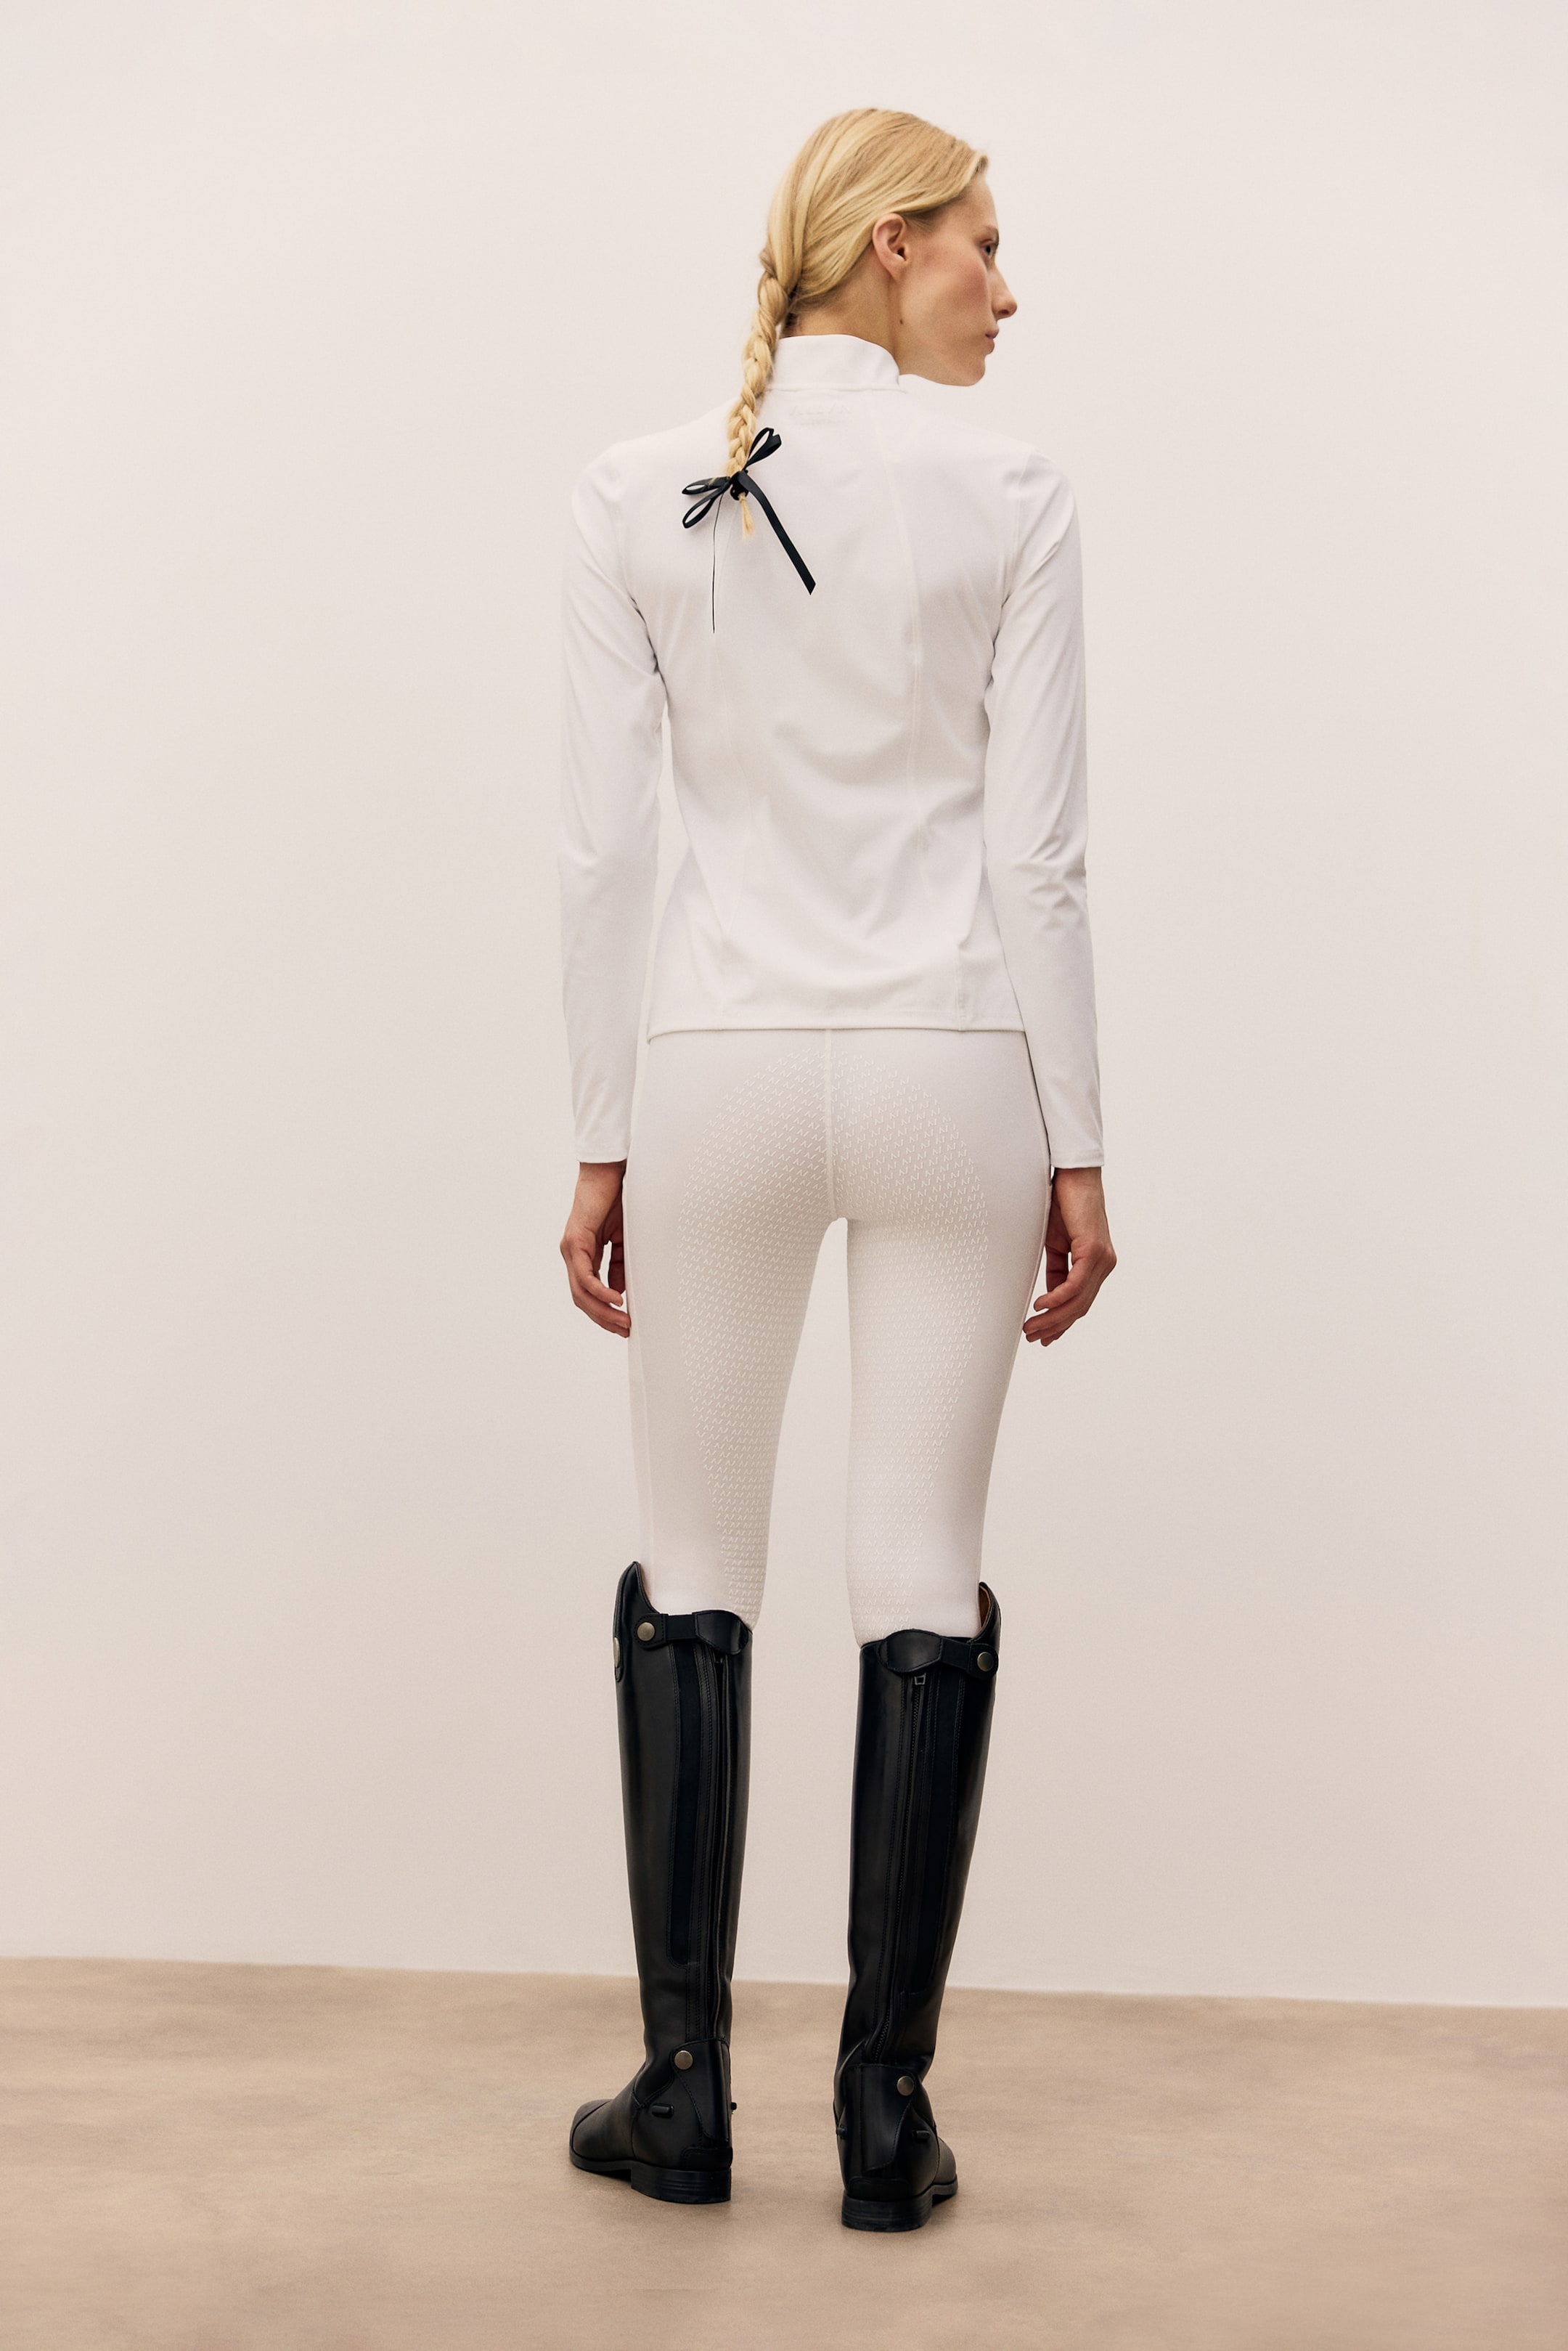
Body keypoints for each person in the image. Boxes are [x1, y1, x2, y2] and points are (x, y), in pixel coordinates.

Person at [556, 107, 1115, 2233]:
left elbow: (607, 853)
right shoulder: (1015, 491)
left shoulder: (636, 491)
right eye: (982, 242)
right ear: (889, 246)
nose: (1005, 286)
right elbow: (1038, 858)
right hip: (954, 1064)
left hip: (714, 1066)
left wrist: (598, 1129)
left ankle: (683, 2097)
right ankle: (885, 2121)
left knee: (694, 1560)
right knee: (922, 1566)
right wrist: (1083, 1144)